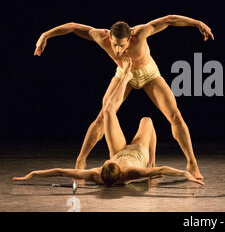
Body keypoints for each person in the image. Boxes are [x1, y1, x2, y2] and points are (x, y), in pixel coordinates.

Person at [34, 15, 214, 180]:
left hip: (149, 74)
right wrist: (45, 35)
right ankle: (81, 160)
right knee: (103, 116)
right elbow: (73, 26)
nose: (118, 50)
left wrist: (198, 23)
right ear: (109, 38)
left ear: (130, 38)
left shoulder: (141, 33)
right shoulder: (102, 37)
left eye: (122, 45)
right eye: (114, 45)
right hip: (123, 75)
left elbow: (169, 20)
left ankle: (192, 163)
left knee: (175, 115)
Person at [13, 57, 205, 186]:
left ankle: (126, 76)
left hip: (119, 150)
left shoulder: (98, 174)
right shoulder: (132, 173)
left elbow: (61, 172)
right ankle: (151, 162)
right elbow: (165, 170)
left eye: (105, 163)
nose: (104, 162)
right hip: (139, 153)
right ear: (122, 174)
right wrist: (185, 175)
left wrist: (32, 174)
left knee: (108, 111)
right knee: (147, 120)